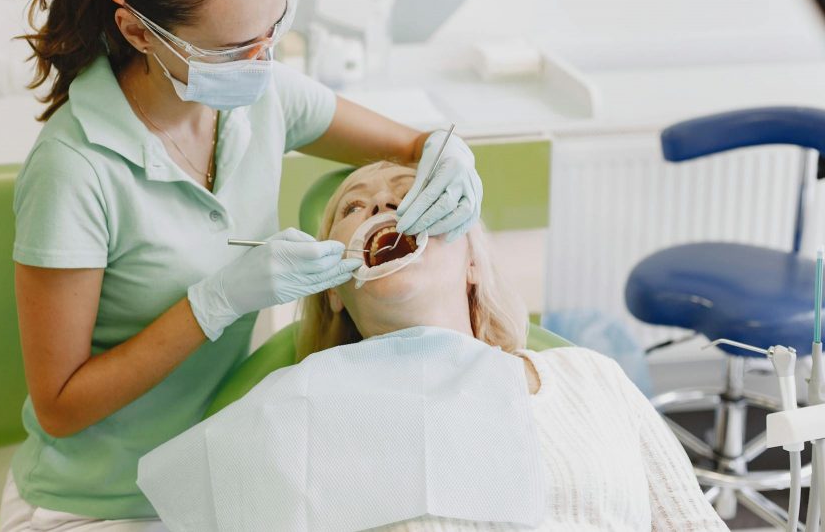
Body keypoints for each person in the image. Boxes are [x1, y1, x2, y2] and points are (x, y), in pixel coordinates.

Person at [0, 0, 484, 531]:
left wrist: (448, 151)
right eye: (234, 48)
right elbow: (58, 403)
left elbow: (414, 144)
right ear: (139, 31)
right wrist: (214, 303)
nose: (262, 60)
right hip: (99, 502)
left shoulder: (264, 95)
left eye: (275, 26)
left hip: (222, 469)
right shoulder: (74, 170)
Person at [291, 160, 729, 531]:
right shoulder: (302, 423)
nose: (381, 206)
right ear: (332, 288)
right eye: (352, 206)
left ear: (473, 263)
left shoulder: (592, 377)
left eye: (413, 195)